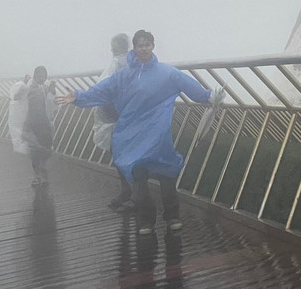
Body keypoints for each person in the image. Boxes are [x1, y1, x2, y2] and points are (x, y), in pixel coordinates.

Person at [57, 29, 217, 235]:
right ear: (134, 48)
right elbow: (102, 89)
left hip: (157, 133)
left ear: (153, 46)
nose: (144, 48)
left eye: (147, 44)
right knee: (138, 174)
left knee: (166, 172)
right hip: (132, 134)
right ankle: (146, 220)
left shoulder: (166, 73)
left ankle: (172, 216)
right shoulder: (123, 76)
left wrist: (208, 96)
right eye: (140, 45)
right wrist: (79, 96)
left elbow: (188, 84)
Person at [93, 33, 133, 210]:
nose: (112, 49)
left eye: (114, 46)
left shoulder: (119, 63)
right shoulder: (125, 62)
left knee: (123, 154)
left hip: (120, 113)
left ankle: (131, 194)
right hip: (121, 113)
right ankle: (128, 191)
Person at [9, 66, 58, 186]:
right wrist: (23, 84)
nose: (42, 78)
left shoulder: (44, 88)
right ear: (35, 76)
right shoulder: (28, 88)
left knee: (46, 148)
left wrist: (53, 89)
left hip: (44, 122)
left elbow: (53, 101)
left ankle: (43, 172)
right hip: (31, 122)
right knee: (34, 150)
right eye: (40, 76)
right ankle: (37, 175)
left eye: (44, 76)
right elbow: (15, 97)